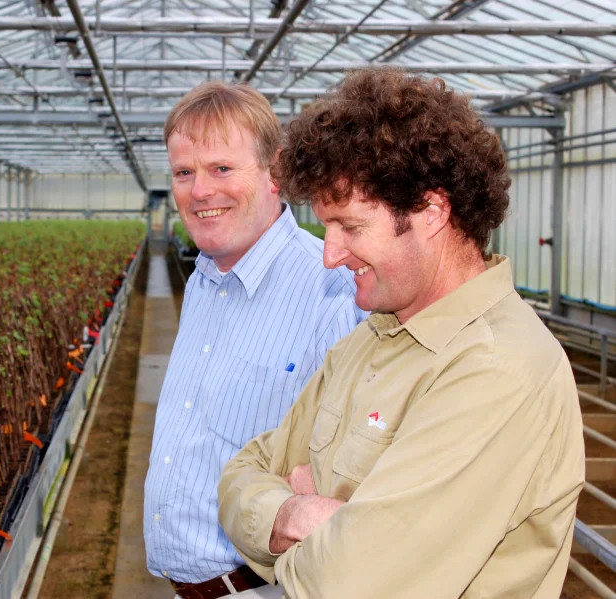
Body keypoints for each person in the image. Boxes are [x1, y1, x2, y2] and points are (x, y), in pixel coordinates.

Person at [217, 68, 585, 598]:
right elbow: (240, 474)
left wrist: (292, 525)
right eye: (325, 226)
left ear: (431, 212)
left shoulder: (497, 369)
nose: (329, 255)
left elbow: (349, 583)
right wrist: (297, 515)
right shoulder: (370, 339)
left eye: (351, 226)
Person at [144, 81, 366, 599]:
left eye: (222, 168)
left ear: (275, 171)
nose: (200, 191)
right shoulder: (204, 280)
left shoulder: (335, 292)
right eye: (183, 173)